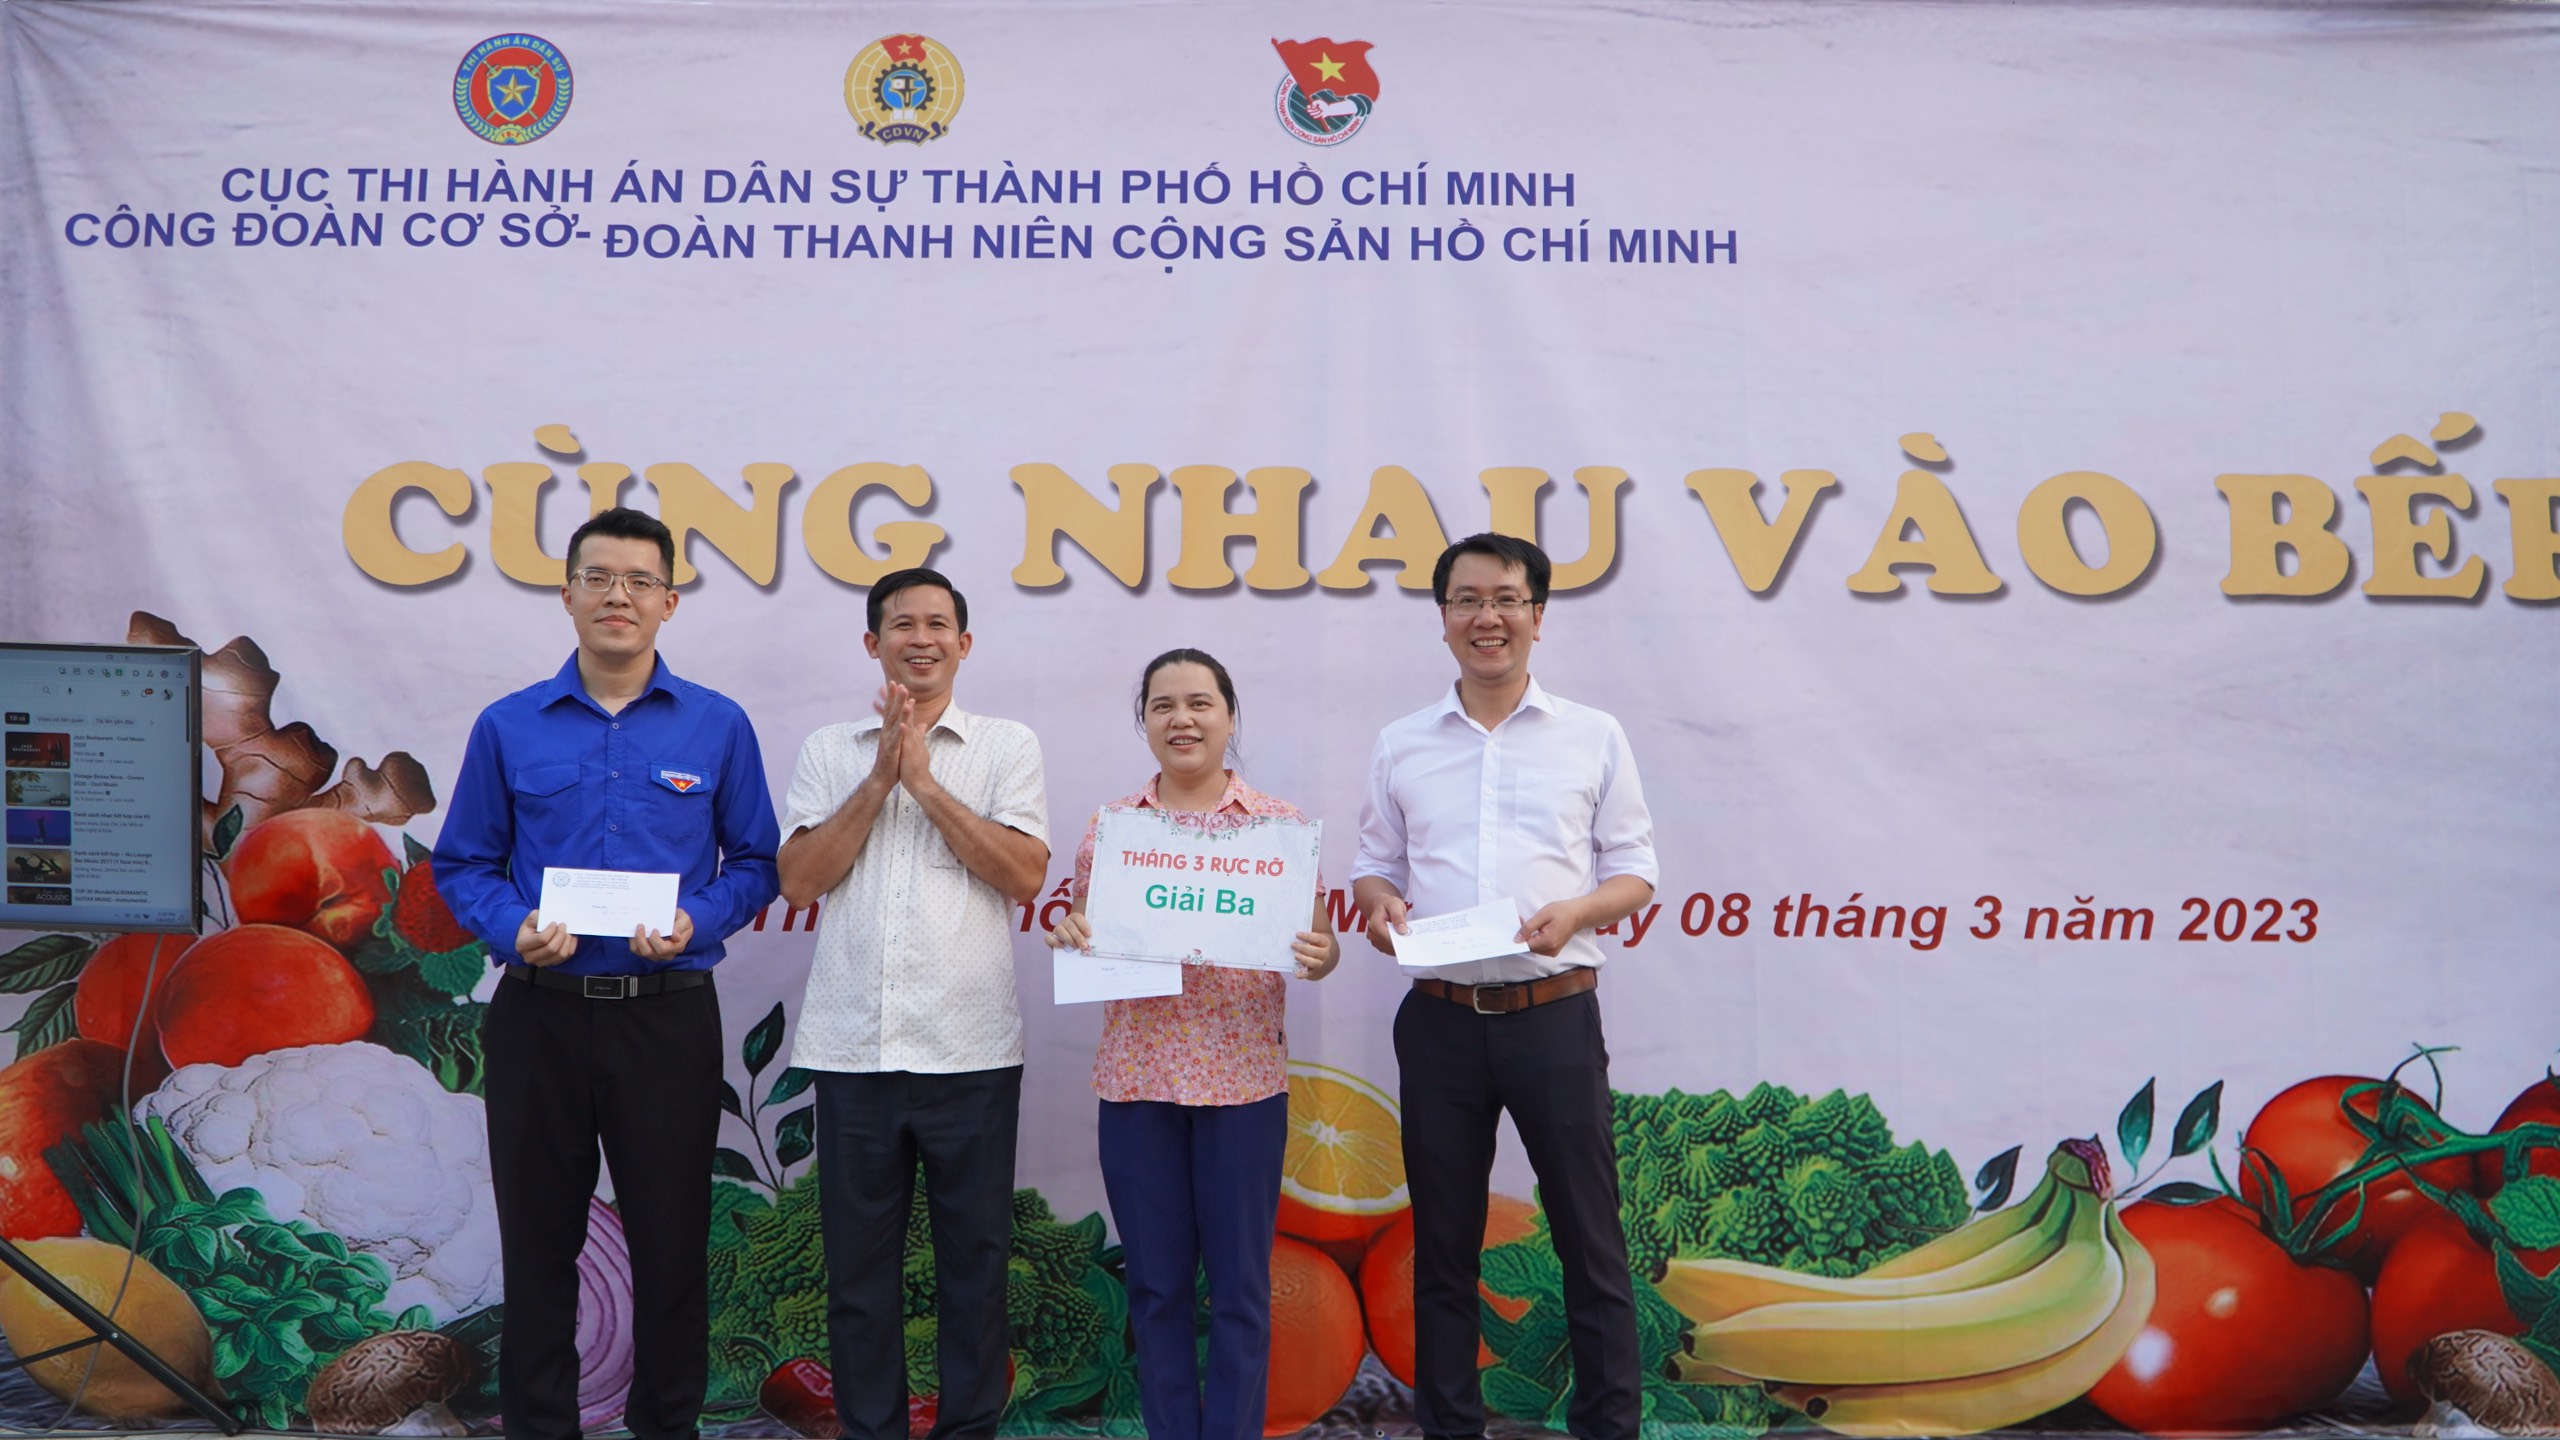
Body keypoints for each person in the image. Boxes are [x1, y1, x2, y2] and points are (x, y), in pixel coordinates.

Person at [433, 506, 781, 1440]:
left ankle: (665, 1426)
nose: (617, 596)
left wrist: (698, 918)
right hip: (538, 1014)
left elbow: (757, 861)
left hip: (665, 1018)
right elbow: (463, 863)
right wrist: (511, 928)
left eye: (638, 580)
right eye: (598, 577)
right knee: (540, 1245)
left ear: (669, 600)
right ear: (568, 595)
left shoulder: (717, 725)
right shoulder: (509, 726)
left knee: (670, 1244)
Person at [1349, 534, 1658, 1440]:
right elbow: (1374, 865)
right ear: (1443, 618)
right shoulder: (1403, 743)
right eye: (1467, 600)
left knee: (1589, 1239)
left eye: (1507, 599)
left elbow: (1637, 871)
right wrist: (1378, 905)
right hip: (1440, 1022)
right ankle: (1450, 1426)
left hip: (1553, 1015)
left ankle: (1609, 1426)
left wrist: (1579, 911)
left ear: (1537, 616)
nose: (1488, 617)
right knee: (1443, 1245)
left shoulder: (1593, 735)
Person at [776, 567, 1049, 1440]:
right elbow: (799, 880)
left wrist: (926, 782)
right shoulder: (830, 749)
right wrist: (879, 778)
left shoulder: (1007, 745)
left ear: (963, 644)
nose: (920, 638)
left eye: (938, 624)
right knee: (858, 1277)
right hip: (853, 1049)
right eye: (902, 624)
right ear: (874, 643)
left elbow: (1025, 876)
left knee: (976, 1269)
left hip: (970, 1051)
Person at [1044, 648, 1340, 1440]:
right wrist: (1070, 934)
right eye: (1163, 705)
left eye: (1201, 703)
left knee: (1241, 1290)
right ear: (1144, 721)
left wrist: (1323, 955)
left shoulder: (1278, 828)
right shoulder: (1113, 828)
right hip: (1137, 1083)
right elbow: (1089, 932)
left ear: (1230, 716)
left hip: (1244, 1087)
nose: (1183, 719)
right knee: (1156, 1288)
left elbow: (1319, 944)